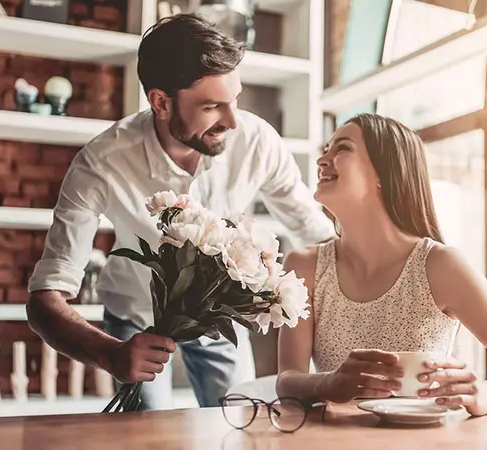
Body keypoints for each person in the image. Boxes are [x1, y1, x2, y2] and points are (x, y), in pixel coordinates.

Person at [25, 13, 335, 411]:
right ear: (161, 102)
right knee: (146, 436)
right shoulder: (100, 163)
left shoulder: (258, 142)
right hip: (135, 318)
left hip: (219, 319)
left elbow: (314, 231)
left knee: (238, 426)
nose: (232, 120)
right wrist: (111, 355)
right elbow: (44, 298)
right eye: (212, 106)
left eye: (235, 99)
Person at [276, 113, 487, 415]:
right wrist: (327, 383)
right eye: (326, 149)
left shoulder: (440, 265)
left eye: (342, 149)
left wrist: (484, 395)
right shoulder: (304, 265)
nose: (323, 160)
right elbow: (287, 380)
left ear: (386, 172)